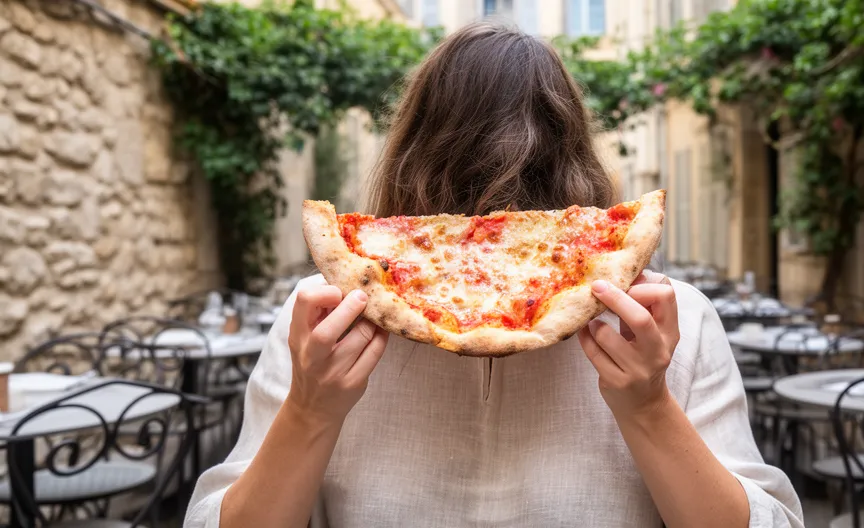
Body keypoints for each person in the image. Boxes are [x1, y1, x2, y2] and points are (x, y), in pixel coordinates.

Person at [185, 22, 803, 528]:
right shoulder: (324, 322)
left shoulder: (667, 321)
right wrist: (309, 412)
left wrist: (649, 408)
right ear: (576, 147)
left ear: (411, 147)